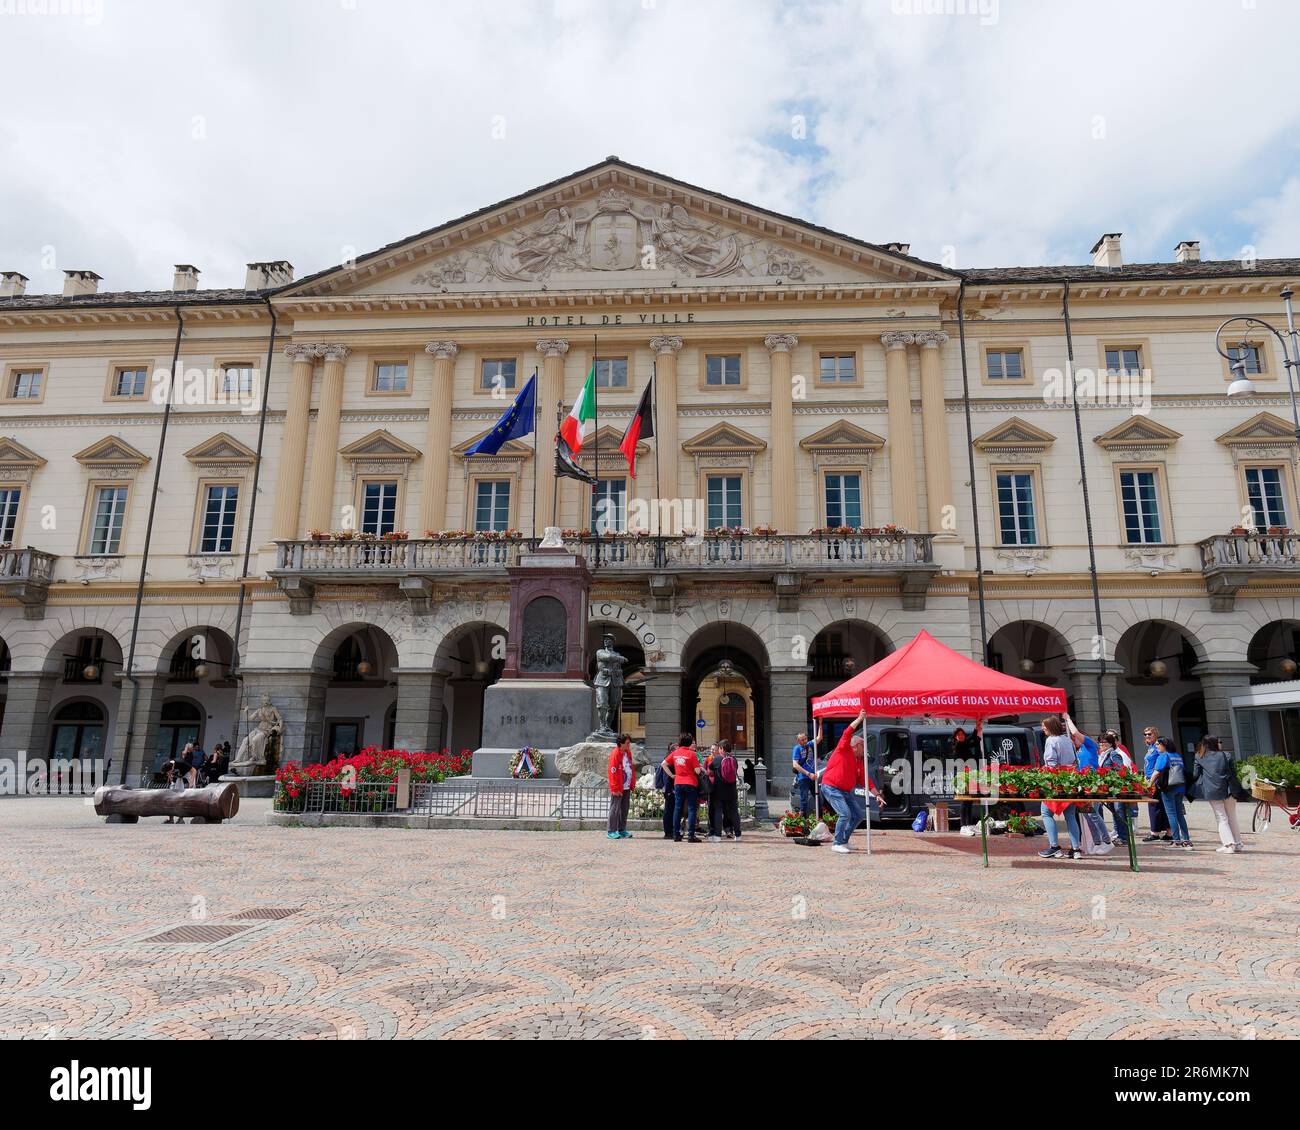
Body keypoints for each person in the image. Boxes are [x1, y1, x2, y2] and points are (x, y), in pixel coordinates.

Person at [814, 709, 886, 854]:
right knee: (845, 814)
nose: (865, 749)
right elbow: (847, 732)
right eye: (863, 746)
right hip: (831, 787)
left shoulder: (859, 761)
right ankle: (837, 843)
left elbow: (866, 780)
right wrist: (859, 719)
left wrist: (877, 795)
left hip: (845, 791)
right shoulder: (843, 749)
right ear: (855, 746)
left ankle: (844, 841)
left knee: (858, 815)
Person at [1038, 715, 1083, 860]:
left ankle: (1054, 847)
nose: (1042, 728)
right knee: (1070, 816)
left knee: (1046, 813)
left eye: (1044, 726)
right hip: (1069, 779)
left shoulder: (1051, 740)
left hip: (1056, 780)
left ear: (1051, 727)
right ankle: (1076, 849)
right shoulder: (1066, 739)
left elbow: (1051, 762)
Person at [1192, 735, 1245, 854]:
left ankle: (1228, 845)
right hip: (1229, 789)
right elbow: (1234, 772)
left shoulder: (1199, 756)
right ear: (1216, 743)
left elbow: (1195, 775)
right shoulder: (1226, 755)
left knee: (1221, 817)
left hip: (1213, 790)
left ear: (1204, 744)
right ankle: (1238, 843)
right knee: (1232, 817)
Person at [1149, 736, 1192, 849]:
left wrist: (1149, 784)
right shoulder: (1177, 756)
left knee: (1171, 814)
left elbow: (1156, 772)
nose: (1157, 746)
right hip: (1180, 787)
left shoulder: (1163, 756)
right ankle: (1186, 839)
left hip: (1168, 788)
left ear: (1164, 745)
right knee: (1179, 814)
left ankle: (1176, 841)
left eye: (1158, 744)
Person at [661, 734, 703, 843]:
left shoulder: (675, 753)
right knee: (691, 809)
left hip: (678, 782)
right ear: (689, 743)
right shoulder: (692, 754)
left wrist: (671, 775)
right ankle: (691, 835)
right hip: (690, 782)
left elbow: (663, 764)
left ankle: (676, 835)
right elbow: (698, 771)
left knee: (677, 808)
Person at [1097, 731, 1133, 846]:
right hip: (1109, 788)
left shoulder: (1113, 754)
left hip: (1116, 788)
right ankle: (1118, 835)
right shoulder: (1103, 755)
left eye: (1104, 742)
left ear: (1111, 744)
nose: (1101, 744)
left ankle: (1124, 838)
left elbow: (1120, 769)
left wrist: (1109, 774)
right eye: (1100, 742)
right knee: (1114, 811)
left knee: (1118, 811)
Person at [1140, 725, 1172, 842]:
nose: (1147, 736)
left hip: (1156, 780)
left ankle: (1155, 832)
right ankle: (1168, 831)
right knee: (1159, 806)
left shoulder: (1157, 748)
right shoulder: (1151, 748)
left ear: (1155, 735)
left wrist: (1152, 779)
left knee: (1154, 806)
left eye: (1150, 734)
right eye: (1145, 734)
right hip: (1150, 778)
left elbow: (1160, 763)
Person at [605, 733, 635, 841]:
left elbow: (630, 767)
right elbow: (612, 771)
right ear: (621, 743)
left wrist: (631, 783)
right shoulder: (615, 754)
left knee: (624, 808)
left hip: (626, 785)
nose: (629, 745)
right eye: (627, 743)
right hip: (618, 787)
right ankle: (611, 830)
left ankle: (622, 829)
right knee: (615, 808)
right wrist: (614, 788)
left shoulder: (627, 753)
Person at [952, 724, 980, 833]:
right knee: (964, 801)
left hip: (969, 775)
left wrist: (977, 726)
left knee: (970, 801)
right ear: (955, 737)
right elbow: (971, 740)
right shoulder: (959, 746)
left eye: (962, 734)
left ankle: (968, 824)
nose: (961, 736)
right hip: (962, 776)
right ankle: (963, 825)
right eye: (959, 734)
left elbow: (971, 738)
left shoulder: (965, 743)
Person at [713, 739, 742, 841]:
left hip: (719, 791)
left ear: (722, 749)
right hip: (732, 790)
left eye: (719, 748)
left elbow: (710, 770)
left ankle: (717, 836)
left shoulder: (717, 759)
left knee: (718, 812)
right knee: (734, 812)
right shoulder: (734, 759)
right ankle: (738, 835)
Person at [791, 731, 817, 817]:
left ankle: (820, 816)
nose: (804, 741)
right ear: (798, 741)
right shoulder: (797, 748)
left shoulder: (809, 745)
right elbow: (795, 764)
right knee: (804, 798)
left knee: (818, 797)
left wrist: (820, 724)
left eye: (805, 739)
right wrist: (808, 773)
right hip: (804, 777)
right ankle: (803, 819)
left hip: (813, 777)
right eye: (802, 740)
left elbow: (819, 738)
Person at [654, 750, 676, 840]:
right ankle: (668, 832)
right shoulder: (669, 763)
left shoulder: (668, 761)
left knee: (670, 810)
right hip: (669, 790)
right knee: (669, 811)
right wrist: (670, 790)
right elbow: (667, 779)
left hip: (668, 790)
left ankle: (670, 831)